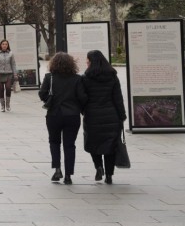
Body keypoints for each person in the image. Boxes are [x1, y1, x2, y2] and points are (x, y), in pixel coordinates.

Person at [39, 52, 87, 185]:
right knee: (70, 145)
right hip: (72, 115)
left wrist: (49, 100)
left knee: (54, 142)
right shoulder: (77, 78)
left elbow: (42, 93)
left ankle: (57, 169)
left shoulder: (49, 77)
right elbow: (82, 97)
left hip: (54, 114)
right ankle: (68, 175)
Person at [81, 50, 127, 184]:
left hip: (92, 117)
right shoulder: (112, 76)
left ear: (91, 61)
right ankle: (109, 175)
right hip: (111, 117)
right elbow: (118, 98)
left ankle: (98, 166)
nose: (86, 62)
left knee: (93, 143)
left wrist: (84, 111)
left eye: (88, 60)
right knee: (110, 147)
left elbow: (83, 98)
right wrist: (122, 115)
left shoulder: (86, 78)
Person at [0, 39, 16, 112]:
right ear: (1, 45)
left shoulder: (11, 53)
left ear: (8, 45)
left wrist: (15, 73)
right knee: (1, 89)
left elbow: (13, 64)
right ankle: (2, 105)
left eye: (6, 44)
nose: (4, 45)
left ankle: (7, 104)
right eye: (3, 44)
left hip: (8, 73)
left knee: (8, 88)